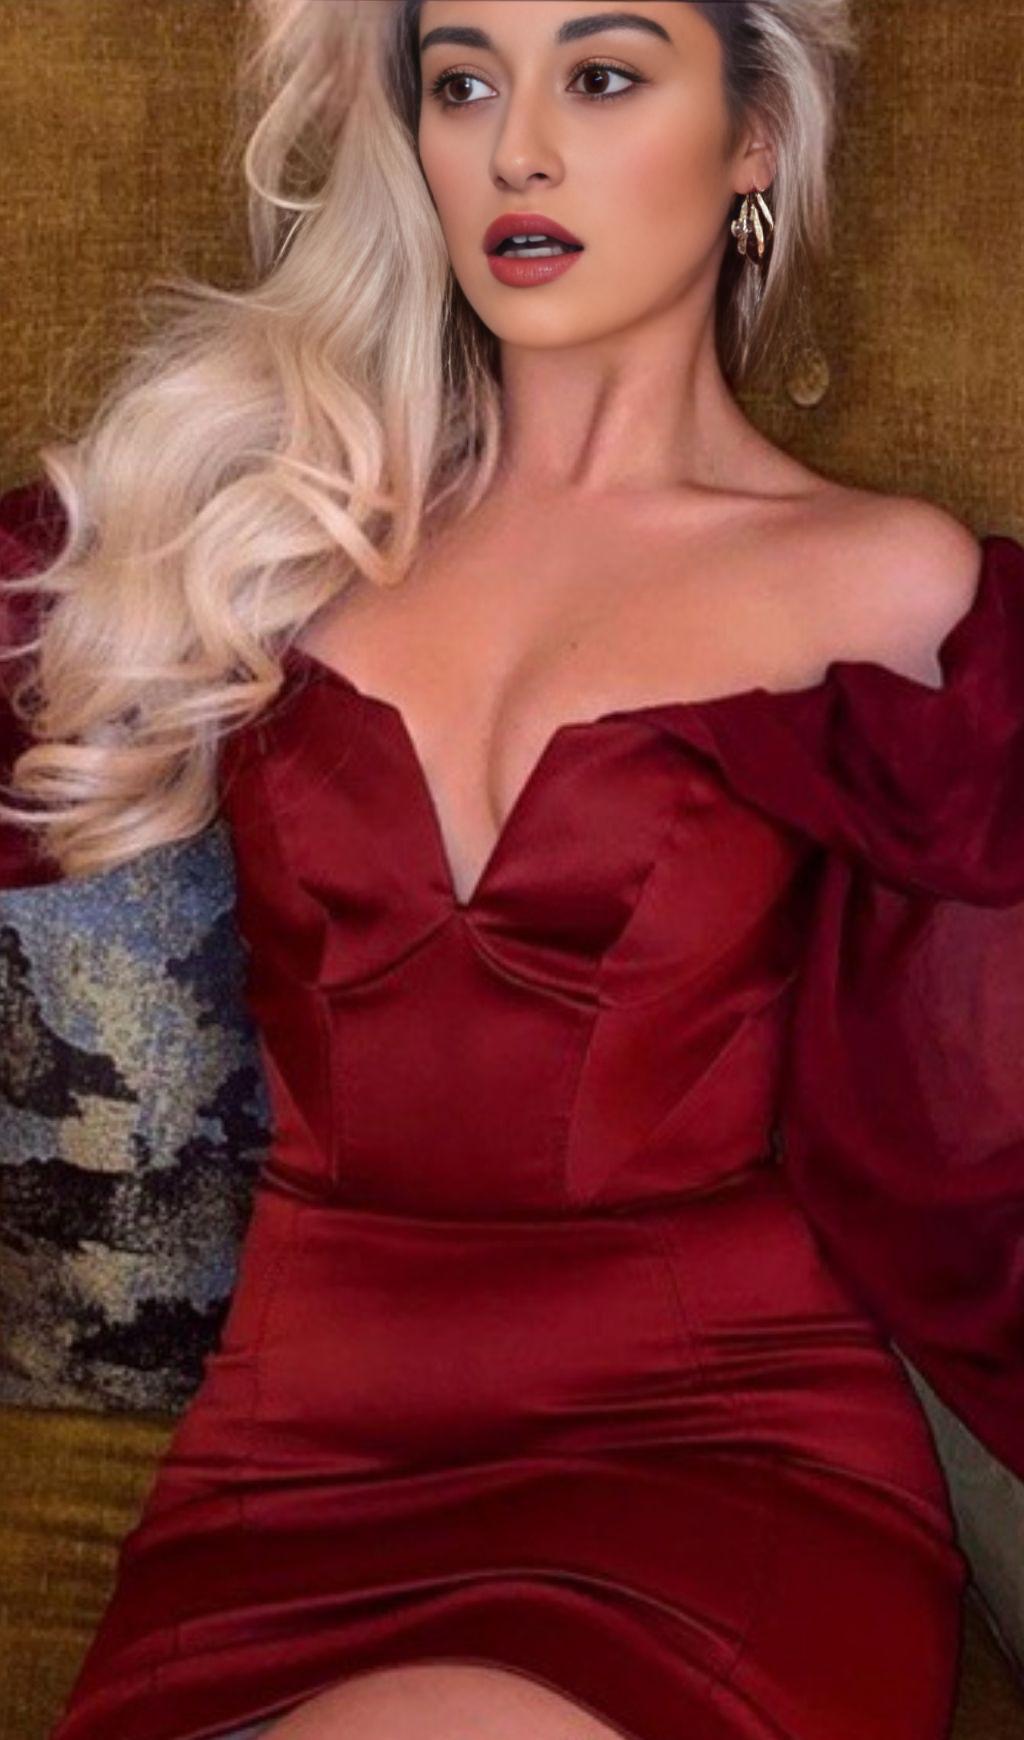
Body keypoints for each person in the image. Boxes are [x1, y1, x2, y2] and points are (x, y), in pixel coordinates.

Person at [1, 1, 1022, 1735]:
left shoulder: (885, 583)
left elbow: (970, 1086)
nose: (519, 149)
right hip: (283, 1471)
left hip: (718, 1449)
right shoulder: (262, 526)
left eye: (602, 77)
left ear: (754, 138)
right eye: (464, 84)